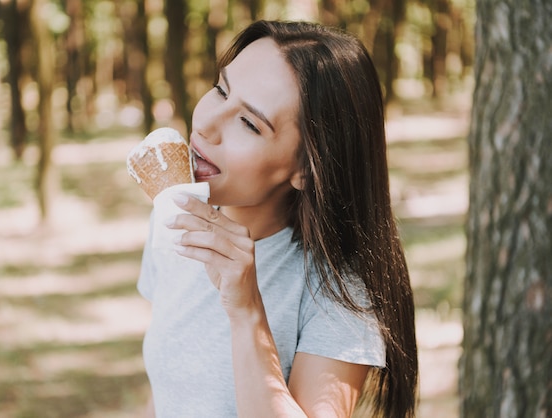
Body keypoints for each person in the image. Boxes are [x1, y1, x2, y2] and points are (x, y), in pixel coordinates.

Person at [137, 20, 418, 418]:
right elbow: (167, 395)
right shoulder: (171, 222)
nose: (205, 125)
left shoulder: (339, 290)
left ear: (307, 167)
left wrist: (246, 310)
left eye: (249, 123)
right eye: (221, 90)